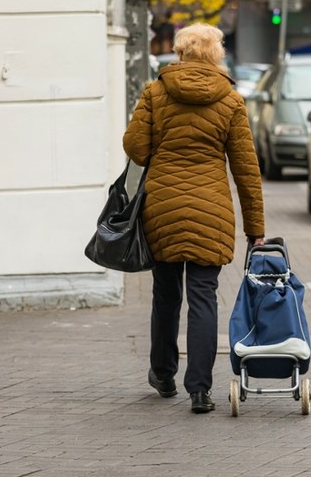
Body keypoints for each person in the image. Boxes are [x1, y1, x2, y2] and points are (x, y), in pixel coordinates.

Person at [123, 22, 265, 414]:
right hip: (211, 208)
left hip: (163, 207)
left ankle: (163, 373)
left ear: (181, 52)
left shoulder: (155, 92)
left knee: (166, 293)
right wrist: (256, 230)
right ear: (215, 54)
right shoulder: (231, 100)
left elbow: (135, 148)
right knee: (204, 296)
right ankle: (200, 389)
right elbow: (246, 170)